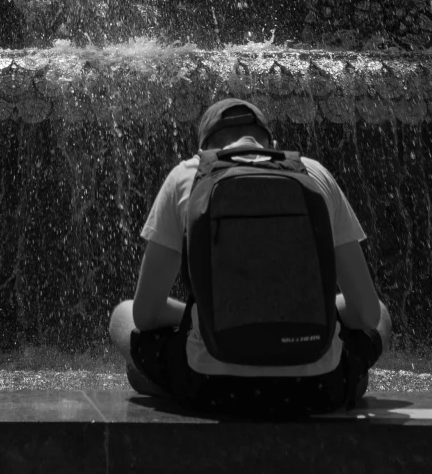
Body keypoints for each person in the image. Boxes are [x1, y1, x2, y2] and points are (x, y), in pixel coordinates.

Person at [109, 95, 390, 417]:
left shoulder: (187, 175)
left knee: (124, 313)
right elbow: (367, 314)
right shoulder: (314, 173)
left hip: (210, 387)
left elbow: (146, 314)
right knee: (380, 311)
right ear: (270, 142)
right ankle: (347, 378)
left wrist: (211, 312)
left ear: (204, 149)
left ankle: (164, 382)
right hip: (318, 387)